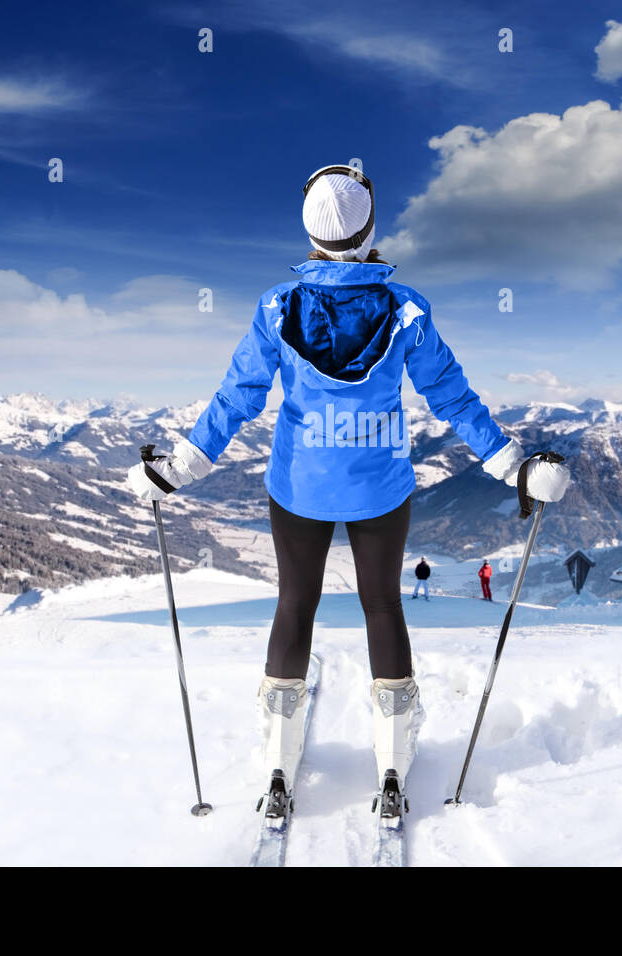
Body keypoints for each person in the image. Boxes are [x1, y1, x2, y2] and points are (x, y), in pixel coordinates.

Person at [127, 164, 570, 812]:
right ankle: (392, 762)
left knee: (294, 606)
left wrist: (182, 465)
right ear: (370, 230)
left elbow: (239, 396)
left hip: (300, 484)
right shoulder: (406, 308)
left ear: (309, 232)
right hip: (379, 487)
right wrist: (513, 465)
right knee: (382, 606)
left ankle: (279, 760)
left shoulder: (278, 307)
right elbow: (450, 395)